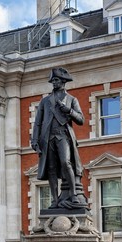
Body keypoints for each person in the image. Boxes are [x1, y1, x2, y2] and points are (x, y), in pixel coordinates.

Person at [31, 67, 85, 209]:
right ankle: (55, 200)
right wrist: (34, 140)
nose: (54, 83)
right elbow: (38, 122)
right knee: (51, 168)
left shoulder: (71, 99)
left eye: (56, 80)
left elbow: (81, 120)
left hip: (63, 135)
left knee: (66, 162)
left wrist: (69, 111)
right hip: (47, 137)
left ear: (63, 81)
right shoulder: (45, 101)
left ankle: (73, 195)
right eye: (53, 80)